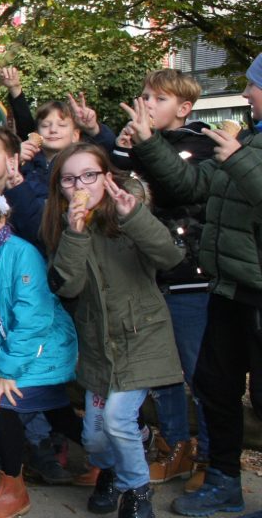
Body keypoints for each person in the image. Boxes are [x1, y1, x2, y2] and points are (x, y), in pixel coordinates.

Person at [123, 56, 262, 517]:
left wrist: (240, 161)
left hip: (250, 289)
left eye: (254, 86)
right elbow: (188, 185)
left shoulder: (242, 149)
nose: (246, 95)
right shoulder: (251, 140)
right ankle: (222, 480)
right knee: (215, 385)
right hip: (228, 287)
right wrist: (145, 142)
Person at [43, 142, 184, 518]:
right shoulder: (63, 228)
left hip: (141, 336)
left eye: (89, 175)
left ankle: (137, 494)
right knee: (94, 437)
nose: (80, 186)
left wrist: (135, 217)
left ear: (106, 178)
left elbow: (170, 257)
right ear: (61, 188)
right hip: (97, 346)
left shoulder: (129, 213)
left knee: (118, 419)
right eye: (70, 179)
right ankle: (118, 459)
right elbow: (68, 287)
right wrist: (75, 234)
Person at [0, 184, 82, 518]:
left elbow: (34, 318)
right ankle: (108, 459)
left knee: (3, 402)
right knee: (59, 413)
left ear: (0, 220)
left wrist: (6, 370)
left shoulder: (22, 253)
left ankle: (12, 490)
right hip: (13, 353)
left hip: (44, 348)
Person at [109, 70, 216, 485]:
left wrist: (145, 144)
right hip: (150, 275)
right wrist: (119, 144)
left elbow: (176, 189)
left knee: (198, 371)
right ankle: (176, 447)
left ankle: (209, 458)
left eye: (158, 98)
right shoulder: (142, 143)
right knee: (160, 369)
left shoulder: (200, 146)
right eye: (145, 95)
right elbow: (120, 184)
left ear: (184, 108)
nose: (147, 103)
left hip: (190, 277)